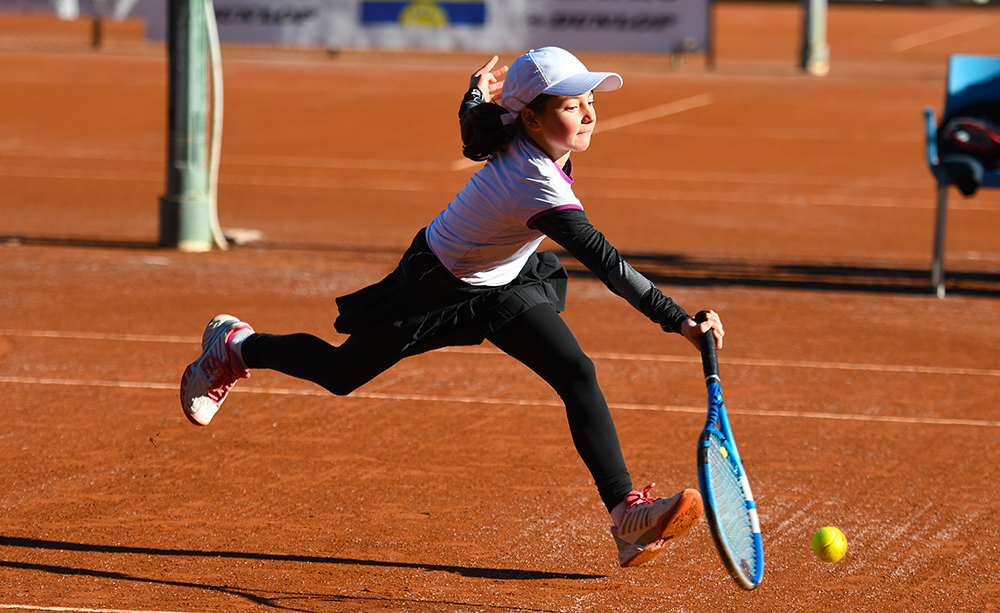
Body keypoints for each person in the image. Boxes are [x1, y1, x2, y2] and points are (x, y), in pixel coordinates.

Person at [180, 46, 725, 568]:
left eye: (590, 102)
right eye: (570, 105)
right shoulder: (536, 185)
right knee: (340, 373)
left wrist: (475, 92)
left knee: (576, 371)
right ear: (531, 121)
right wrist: (677, 319)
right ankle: (235, 346)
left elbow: (475, 123)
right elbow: (606, 263)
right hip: (434, 288)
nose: (588, 114)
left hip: (503, 283)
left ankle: (626, 517)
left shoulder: (517, 134)